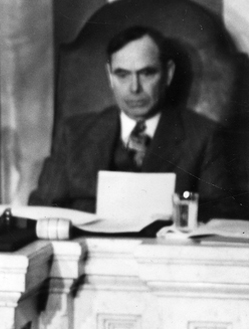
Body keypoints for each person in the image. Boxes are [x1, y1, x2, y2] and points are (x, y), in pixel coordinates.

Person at [29, 25, 236, 220]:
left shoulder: (203, 136)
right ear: (110, 76)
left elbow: (223, 217)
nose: (134, 88)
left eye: (147, 73)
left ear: (168, 74)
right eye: (122, 74)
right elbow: (42, 208)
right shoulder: (74, 133)